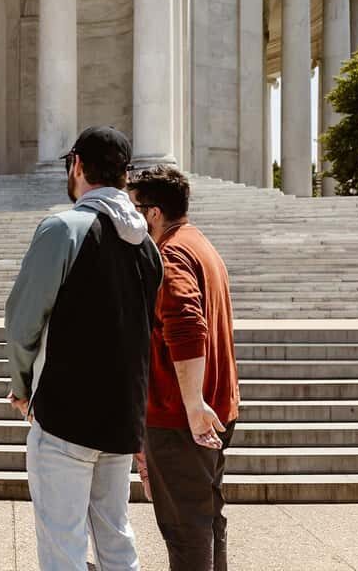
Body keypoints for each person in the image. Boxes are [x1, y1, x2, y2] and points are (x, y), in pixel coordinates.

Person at [5, 126, 163, 571]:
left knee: (62, 546)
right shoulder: (148, 247)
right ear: (125, 176)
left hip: (65, 415)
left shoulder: (63, 228)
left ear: (76, 164)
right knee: (116, 538)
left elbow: (21, 322)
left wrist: (22, 387)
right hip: (121, 419)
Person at [127, 165, 240, 571]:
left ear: (152, 213)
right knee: (207, 522)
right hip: (213, 409)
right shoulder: (201, 245)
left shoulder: (170, 253)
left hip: (181, 417)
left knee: (185, 529)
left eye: (133, 206)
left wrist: (192, 405)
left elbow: (188, 324)